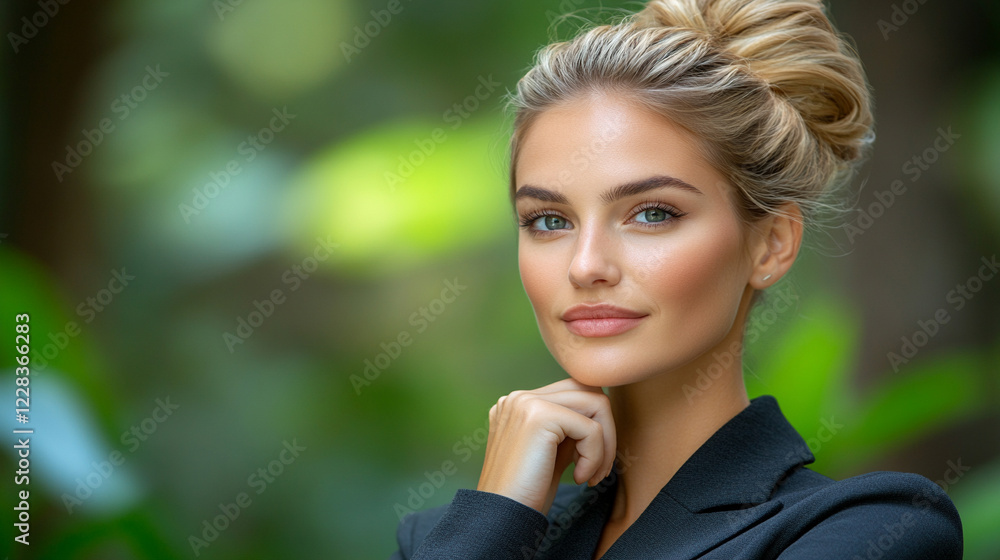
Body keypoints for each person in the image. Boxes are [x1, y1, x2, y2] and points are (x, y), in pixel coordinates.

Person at [389, 0, 963, 557]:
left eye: (652, 213)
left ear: (771, 243)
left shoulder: (871, 529)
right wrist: (496, 519)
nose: (586, 265)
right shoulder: (449, 537)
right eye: (549, 220)